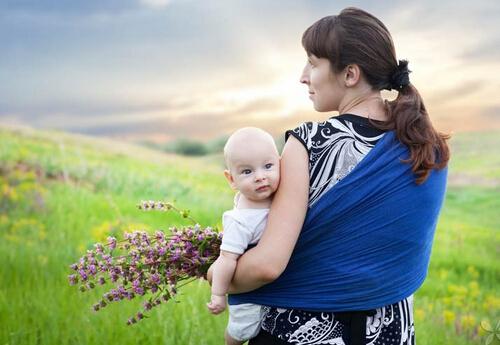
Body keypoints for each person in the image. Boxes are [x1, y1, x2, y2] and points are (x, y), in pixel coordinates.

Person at [208, 7, 449, 345]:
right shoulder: (427, 144)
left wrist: (216, 273)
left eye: (313, 63)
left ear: (350, 74)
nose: (303, 76)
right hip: (390, 334)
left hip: (304, 334)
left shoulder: (308, 144)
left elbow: (266, 266)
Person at [207, 127, 281, 345]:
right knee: (243, 331)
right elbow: (226, 259)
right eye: (247, 172)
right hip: (250, 293)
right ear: (231, 179)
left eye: (268, 166)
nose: (260, 177)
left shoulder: (281, 194)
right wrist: (218, 294)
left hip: (279, 287)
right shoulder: (240, 220)